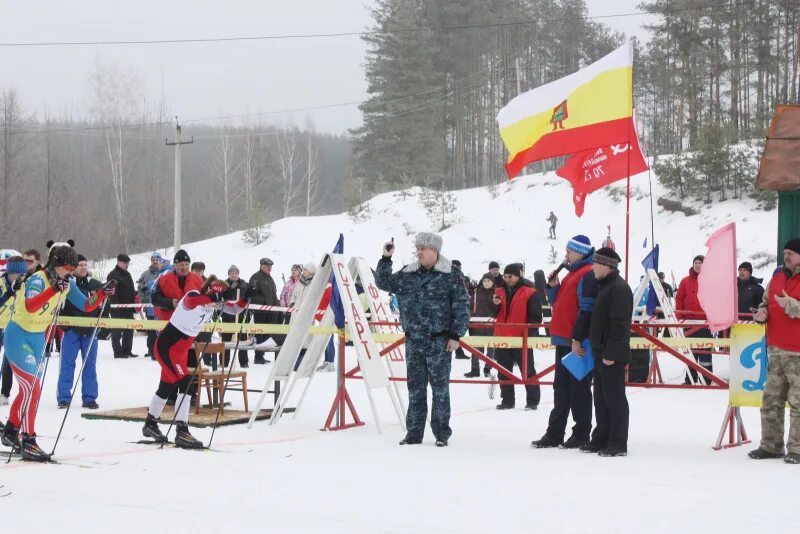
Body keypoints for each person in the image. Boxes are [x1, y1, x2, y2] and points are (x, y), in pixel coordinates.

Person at [1, 245, 114, 461]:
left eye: (73, 268)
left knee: (29, 389)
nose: (71, 272)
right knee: (32, 388)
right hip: (18, 337)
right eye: (67, 268)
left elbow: (87, 305)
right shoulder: (38, 280)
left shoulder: (67, 283)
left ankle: (11, 429)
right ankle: (28, 439)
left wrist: (101, 293)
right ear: (56, 265)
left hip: (38, 339)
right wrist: (53, 289)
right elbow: (32, 306)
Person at [375, 232, 470, 447]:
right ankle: (414, 433)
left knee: (440, 390)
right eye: (417, 248)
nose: (418, 252)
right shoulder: (408, 273)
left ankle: (441, 433)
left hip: (439, 342)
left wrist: (456, 335)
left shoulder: (451, 275)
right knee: (415, 388)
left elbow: (462, 306)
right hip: (414, 341)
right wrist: (385, 259)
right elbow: (383, 282)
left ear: (434, 251)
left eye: (423, 249)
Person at [142, 277, 246, 449]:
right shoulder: (194, 295)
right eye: (217, 299)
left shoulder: (211, 303)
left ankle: (150, 424)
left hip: (179, 354)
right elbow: (191, 302)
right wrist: (215, 298)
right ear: (212, 293)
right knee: (186, 385)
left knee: (166, 387)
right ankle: (182, 430)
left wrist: (246, 298)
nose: (217, 305)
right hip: (166, 349)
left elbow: (234, 309)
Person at [532, 235, 597, 450]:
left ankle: (581, 433)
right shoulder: (572, 274)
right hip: (564, 339)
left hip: (576, 342)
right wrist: (553, 288)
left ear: (579, 252)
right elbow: (561, 304)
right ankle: (555, 432)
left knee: (578, 389)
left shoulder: (586, 275)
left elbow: (586, 310)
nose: (566, 255)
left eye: (569, 251)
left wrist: (578, 338)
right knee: (561, 389)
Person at [749, 238, 800, 465]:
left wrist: (791, 305)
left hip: (798, 353)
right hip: (776, 350)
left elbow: (790, 306)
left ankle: (797, 449)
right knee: (771, 401)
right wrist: (762, 314)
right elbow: (765, 302)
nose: (786, 256)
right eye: (785, 252)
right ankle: (771, 445)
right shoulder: (776, 277)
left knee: (798, 404)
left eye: (791, 253)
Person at [581, 248, 632, 457]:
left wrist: (610, 353)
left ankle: (618, 442)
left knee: (614, 398)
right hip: (601, 352)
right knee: (600, 398)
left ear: (606, 266)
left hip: (612, 354)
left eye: (595, 264)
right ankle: (601, 437)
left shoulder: (619, 289)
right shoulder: (606, 286)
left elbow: (620, 325)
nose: (592, 268)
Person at [151, 250, 205, 403]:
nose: (184, 267)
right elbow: (155, 299)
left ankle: (190, 394)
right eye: (181, 264)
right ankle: (171, 394)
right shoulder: (163, 280)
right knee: (170, 360)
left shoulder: (197, 280)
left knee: (191, 360)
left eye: (187, 264)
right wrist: (170, 303)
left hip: (191, 328)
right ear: (175, 265)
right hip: (170, 326)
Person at [490, 264, 543, 410]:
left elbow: (536, 317)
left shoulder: (530, 292)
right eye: (505, 276)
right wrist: (494, 304)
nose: (507, 279)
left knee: (528, 370)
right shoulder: (498, 291)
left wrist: (529, 336)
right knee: (503, 371)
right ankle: (507, 401)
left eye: (510, 276)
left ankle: (532, 401)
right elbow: (493, 314)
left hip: (521, 338)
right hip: (502, 337)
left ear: (518, 276)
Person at [57, 255, 105, 410]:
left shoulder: (96, 284)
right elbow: (59, 306)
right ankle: (64, 397)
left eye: (85, 264)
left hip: (90, 332)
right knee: (67, 364)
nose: (83, 267)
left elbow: (104, 306)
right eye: (80, 265)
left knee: (90, 365)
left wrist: (99, 325)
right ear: (73, 267)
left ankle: (89, 397)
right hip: (72, 331)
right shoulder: (67, 284)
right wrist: (66, 327)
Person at [676, 255, 712, 384]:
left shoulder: (710, 280)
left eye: (700, 263)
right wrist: (680, 318)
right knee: (690, 352)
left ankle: (707, 379)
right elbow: (679, 299)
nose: (697, 265)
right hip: (689, 322)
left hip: (705, 323)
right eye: (696, 263)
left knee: (705, 352)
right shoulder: (685, 281)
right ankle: (690, 379)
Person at [0, 256, 27, 406]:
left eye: (24, 275)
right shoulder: (1, 284)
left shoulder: (23, 285)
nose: (22, 278)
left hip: (13, 328)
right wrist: (9, 292)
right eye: (19, 274)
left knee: (8, 362)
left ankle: (4, 393)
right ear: (11, 272)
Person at [248, 257, 281, 364]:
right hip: (260, 312)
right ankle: (258, 356)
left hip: (270, 312)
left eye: (270, 266)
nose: (269, 268)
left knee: (267, 334)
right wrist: (264, 303)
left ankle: (261, 354)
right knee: (259, 334)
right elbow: (252, 295)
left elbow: (274, 295)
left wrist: (277, 306)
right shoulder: (255, 277)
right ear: (261, 265)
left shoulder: (270, 279)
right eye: (267, 266)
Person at [464, 274, 496, 378]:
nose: (486, 283)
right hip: (477, 324)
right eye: (485, 281)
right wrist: (470, 319)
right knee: (475, 348)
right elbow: (470, 306)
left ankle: (487, 368)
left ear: (492, 282)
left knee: (491, 348)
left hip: (491, 325)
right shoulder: (476, 293)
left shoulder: (497, 293)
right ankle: (475, 369)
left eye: (489, 281)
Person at [220, 265, 252, 368]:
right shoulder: (224, 285)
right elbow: (219, 300)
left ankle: (244, 362)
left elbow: (249, 298)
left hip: (242, 316)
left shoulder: (244, 284)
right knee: (226, 340)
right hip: (228, 316)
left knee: (242, 340)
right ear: (229, 274)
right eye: (232, 273)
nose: (234, 275)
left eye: (236, 273)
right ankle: (223, 362)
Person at [107, 254, 137, 359]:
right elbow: (112, 293)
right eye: (125, 263)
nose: (127, 265)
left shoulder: (127, 274)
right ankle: (118, 352)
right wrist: (116, 307)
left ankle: (127, 350)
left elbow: (131, 289)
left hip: (128, 307)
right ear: (119, 262)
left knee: (129, 330)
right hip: (118, 308)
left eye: (128, 263)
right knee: (117, 331)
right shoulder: (112, 275)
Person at [137, 253, 164, 359]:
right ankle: (151, 350)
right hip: (150, 308)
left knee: (161, 330)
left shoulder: (165, 273)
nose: (155, 261)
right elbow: (140, 288)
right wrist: (143, 300)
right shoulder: (145, 274)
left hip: (162, 308)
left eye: (157, 259)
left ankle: (161, 350)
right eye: (153, 259)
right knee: (152, 330)